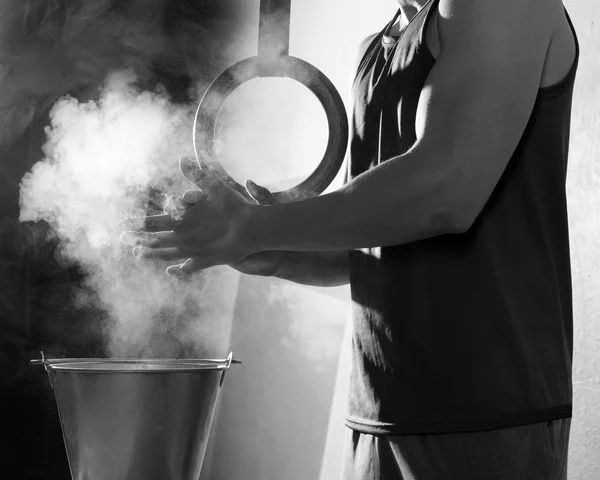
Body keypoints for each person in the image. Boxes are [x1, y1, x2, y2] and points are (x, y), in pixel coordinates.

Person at [120, 0, 579, 478]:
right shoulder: (377, 48)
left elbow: (447, 189)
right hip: (377, 411)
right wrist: (266, 251)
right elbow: (371, 240)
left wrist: (256, 225)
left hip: (489, 409)